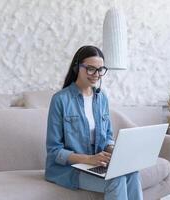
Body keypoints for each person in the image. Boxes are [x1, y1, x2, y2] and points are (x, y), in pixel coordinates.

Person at [45, 45, 143, 200]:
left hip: (96, 165)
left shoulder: (101, 98)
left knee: (132, 171)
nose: (96, 75)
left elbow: (107, 137)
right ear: (77, 67)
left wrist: (115, 150)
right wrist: (88, 159)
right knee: (116, 180)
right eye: (91, 69)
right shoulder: (60, 100)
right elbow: (54, 150)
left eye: (100, 69)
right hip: (69, 169)